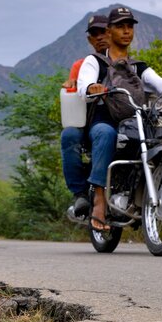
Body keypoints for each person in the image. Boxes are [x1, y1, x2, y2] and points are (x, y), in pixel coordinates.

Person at [77, 6, 162, 230]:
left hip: (136, 121)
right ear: (110, 30)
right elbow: (83, 85)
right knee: (106, 134)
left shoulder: (138, 67)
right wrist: (92, 87)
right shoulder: (95, 62)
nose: (126, 31)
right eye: (120, 27)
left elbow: (159, 82)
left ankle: (157, 187)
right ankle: (99, 200)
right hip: (106, 119)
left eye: (129, 27)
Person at [61, 14, 109, 218]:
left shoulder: (128, 62)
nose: (99, 37)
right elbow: (74, 84)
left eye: (104, 31)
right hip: (90, 120)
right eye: (94, 34)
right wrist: (73, 84)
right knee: (69, 135)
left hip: (124, 119)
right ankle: (80, 194)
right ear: (89, 39)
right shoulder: (82, 65)